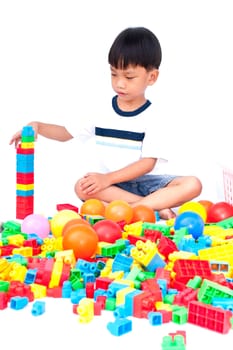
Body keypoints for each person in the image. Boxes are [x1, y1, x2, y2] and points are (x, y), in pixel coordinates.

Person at [10, 26, 202, 220]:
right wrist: (38, 126)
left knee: (193, 184)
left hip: (148, 184)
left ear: (151, 77)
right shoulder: (100, 111)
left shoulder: (155, 115)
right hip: (115, 189)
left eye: (128, 77)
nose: (119, 83)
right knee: (81, 187)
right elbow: (66, 133)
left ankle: (136, 207)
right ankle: (152, 206)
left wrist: (106, 179)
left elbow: (147, 164)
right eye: (114, 74)